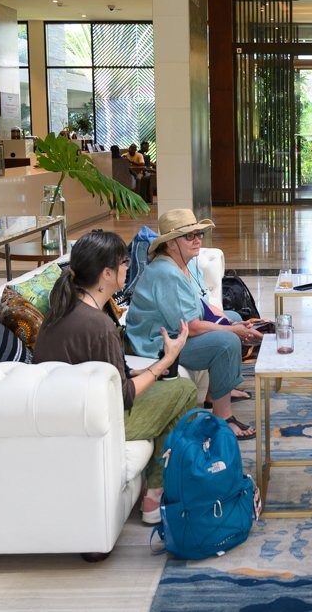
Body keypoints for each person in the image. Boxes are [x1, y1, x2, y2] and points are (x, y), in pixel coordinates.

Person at [34, 230, 197, 525]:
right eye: (124, 262)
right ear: (107, 273)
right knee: (183, 390)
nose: (128, 267)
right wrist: (166, 361)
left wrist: (141, 372)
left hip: (66, 413)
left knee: (167, 388)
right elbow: (123, 396)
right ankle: (157, 491)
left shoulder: (59, 311)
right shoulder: (99, 325)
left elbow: (97, 369)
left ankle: (157, 491)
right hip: (99, 421)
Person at [126, 209, 259, 440]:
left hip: (181, 331)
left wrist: (235, 324)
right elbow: (193, 326)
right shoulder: (165, 273)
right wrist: (232, 331)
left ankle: (216, 393)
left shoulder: (187, 264)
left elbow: (205, 305)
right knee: (227, 341)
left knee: (235, 318)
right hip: (160, 343)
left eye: (199, 233)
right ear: (170, 244)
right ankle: (222, 418)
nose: (197, 239)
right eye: (189, 236)